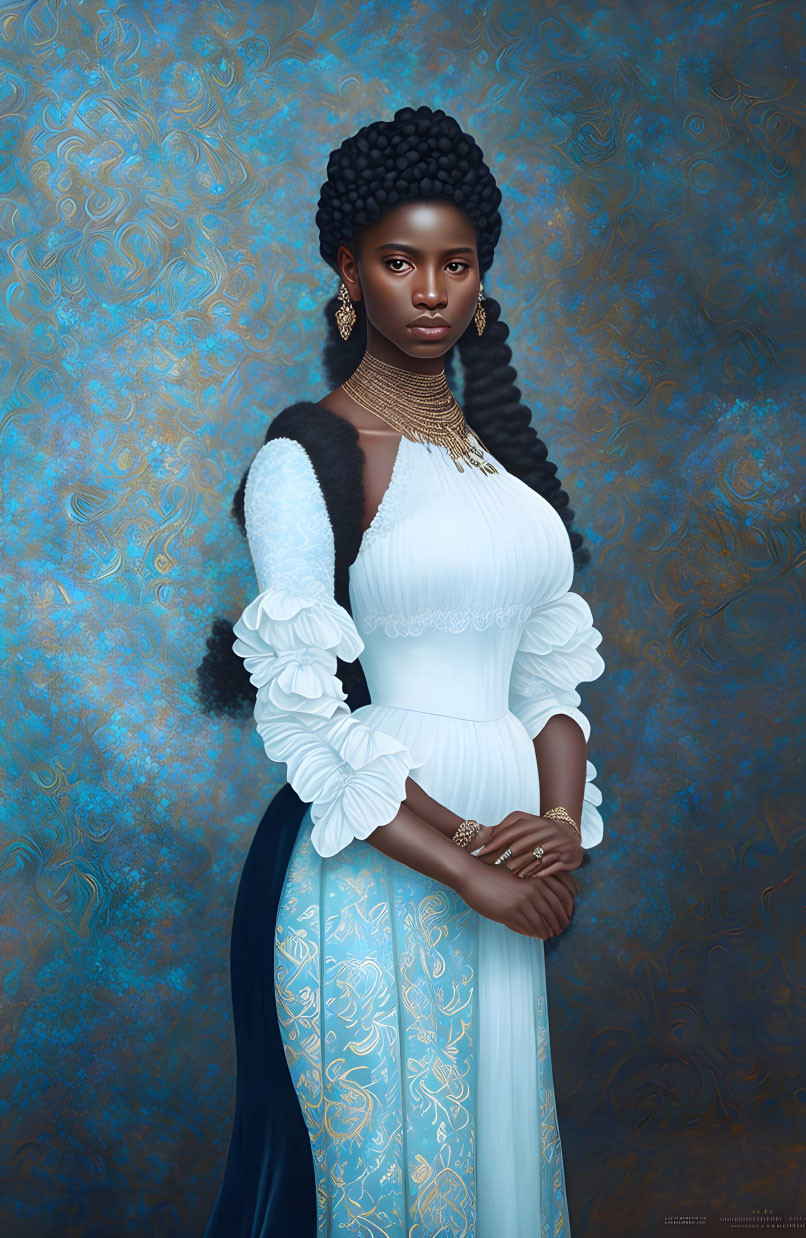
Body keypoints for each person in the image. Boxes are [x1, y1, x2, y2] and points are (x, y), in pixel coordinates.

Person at [197, 104, 605, 1238]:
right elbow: (309, 716)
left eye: (456, 262)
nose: (430, 290)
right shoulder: (307, 456)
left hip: (512, 858)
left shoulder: (504, 473)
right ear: (346, 269)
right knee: (402, 1184)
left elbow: (548, 683)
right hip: (373, 864)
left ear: (482, 277)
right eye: (398, 260)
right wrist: (468, 866)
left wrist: (558, 825)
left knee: (496, 1182)